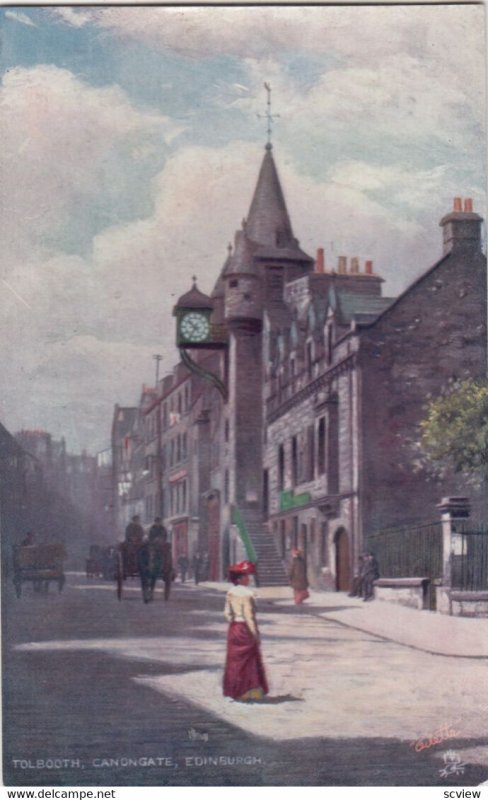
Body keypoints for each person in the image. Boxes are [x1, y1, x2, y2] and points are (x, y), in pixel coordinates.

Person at [223, 560, 268, 702]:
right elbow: (249, 617)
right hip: (245, 629)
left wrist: (234, 621)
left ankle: (233, 690)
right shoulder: (248, 594)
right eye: (246, 576)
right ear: (239, 579)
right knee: (249, 660)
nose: (248, 579)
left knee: (234, 660)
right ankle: (248, 691)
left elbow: (227, 613)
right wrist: (255, 634)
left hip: (234, 627)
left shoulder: (230, 593)